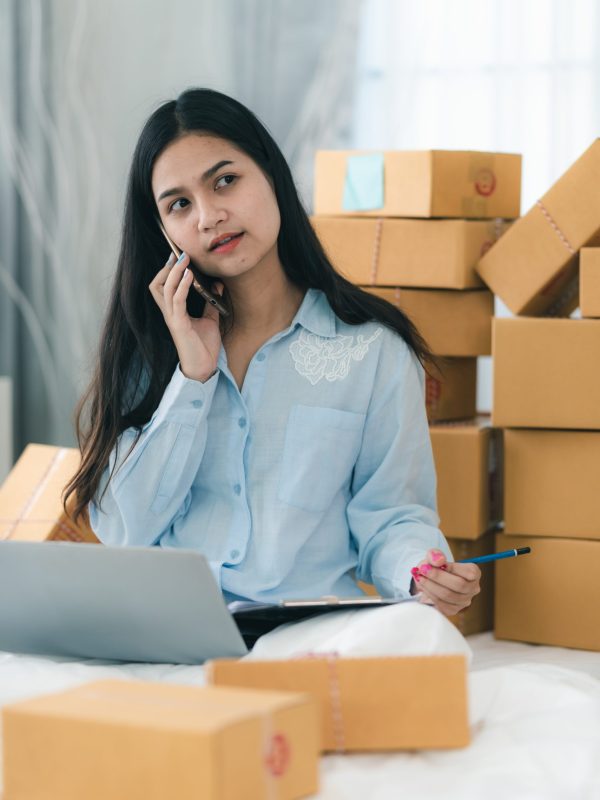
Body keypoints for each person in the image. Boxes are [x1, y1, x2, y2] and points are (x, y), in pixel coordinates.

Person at [64, 88, 480, 626]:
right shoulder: (150, 345)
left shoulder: (372, 348)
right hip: (172, 631)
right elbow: (125, 530)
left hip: (308, 628)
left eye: (225, 181)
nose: (210, 216)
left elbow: (392, 515)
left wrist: (421, 571)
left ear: (271, 175)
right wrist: (193, 377)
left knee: (427, 645)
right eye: (179, 204)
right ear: (163, 230)